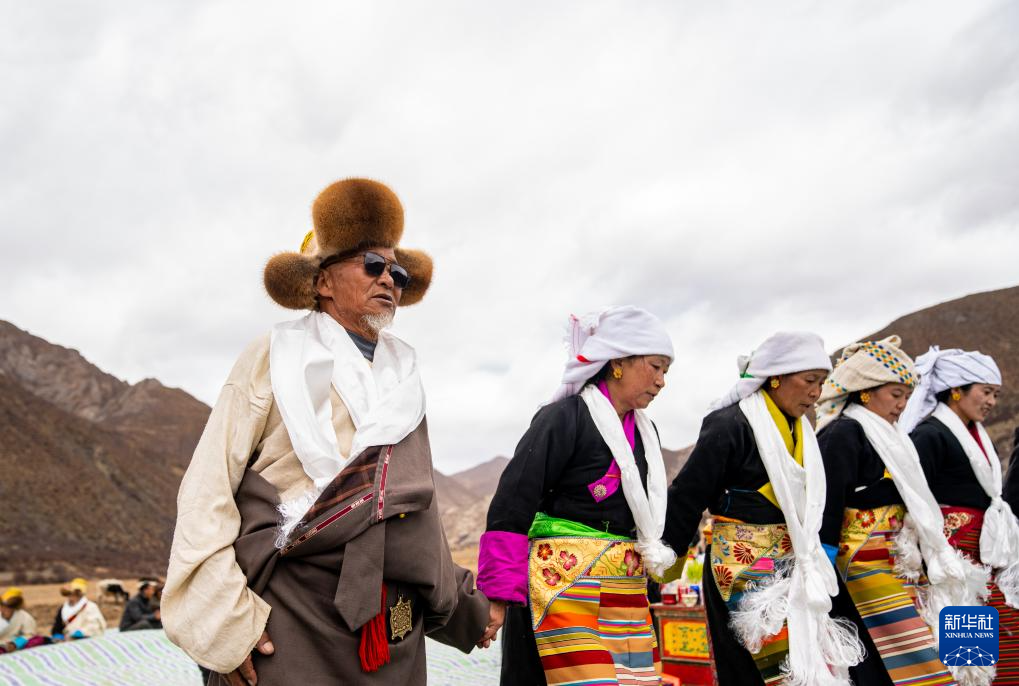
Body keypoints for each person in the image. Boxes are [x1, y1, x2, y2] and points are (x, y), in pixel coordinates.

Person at [162, 178, 488, 686]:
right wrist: (227, 624)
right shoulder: (271, 356)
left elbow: (415, 509)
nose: (389, 279)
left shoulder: (405, 379)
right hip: (292, 613)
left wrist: (470, 607)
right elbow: (209, 490)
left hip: (394, 624)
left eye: (398, 272)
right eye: (373, 265)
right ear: (323, 283)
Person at [476, 306, 676, 686]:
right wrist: (498, 596)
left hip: (622, 599)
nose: (661, 381)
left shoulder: (647, 435)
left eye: (666, 371)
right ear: (618, 362)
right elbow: (512, 504)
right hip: (556, 593)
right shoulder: (563, 418)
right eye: (655, 366)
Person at [663, 331, 865, 686]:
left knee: (804, 664)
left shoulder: (801, 430)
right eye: (809, 380)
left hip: (792, 563)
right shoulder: (730, 424)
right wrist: (666, 564)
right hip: (740, 565)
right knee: (763, 671)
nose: (816, 393)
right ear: (776, 377)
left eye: (821, 383)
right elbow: (688, 495)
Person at [816, 337, 983, 685]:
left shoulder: (896, 438)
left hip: (903, 557)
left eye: (907, 396)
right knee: (918, 657)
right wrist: (822, 562)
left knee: (942, 640)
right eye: (896, 395)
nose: (903, 405)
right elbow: (827, 503)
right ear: (866, 391)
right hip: (864, 563)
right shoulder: (844, 433)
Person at [902, 346, 1019, 685]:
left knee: (1007, 639)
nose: (992, 402)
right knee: (970, 656)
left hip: (985, 554)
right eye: (986, 392)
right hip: (955, 561)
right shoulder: (929, 435)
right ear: (956, 390)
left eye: (995, 395)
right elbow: (914, 498)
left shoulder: (975, 435)